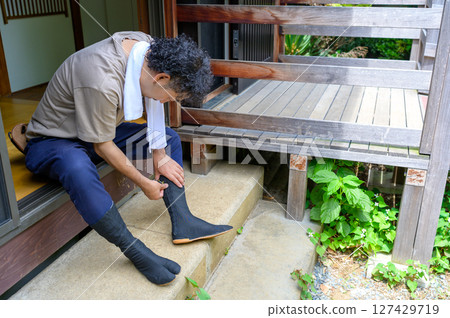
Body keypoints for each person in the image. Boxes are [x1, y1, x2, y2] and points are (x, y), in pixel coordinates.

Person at [24, 31, 232, 286]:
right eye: (173, 97)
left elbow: (152, 103)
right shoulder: (101, 77)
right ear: (161, 78)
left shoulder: (148, 49)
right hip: (52, 140)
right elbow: (102, 147)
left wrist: (160, 154)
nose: (169, 102)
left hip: (96, 130)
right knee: (77, 166)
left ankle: (184, 222)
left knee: (168, 139)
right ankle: (133, 248)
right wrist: (144, 183)